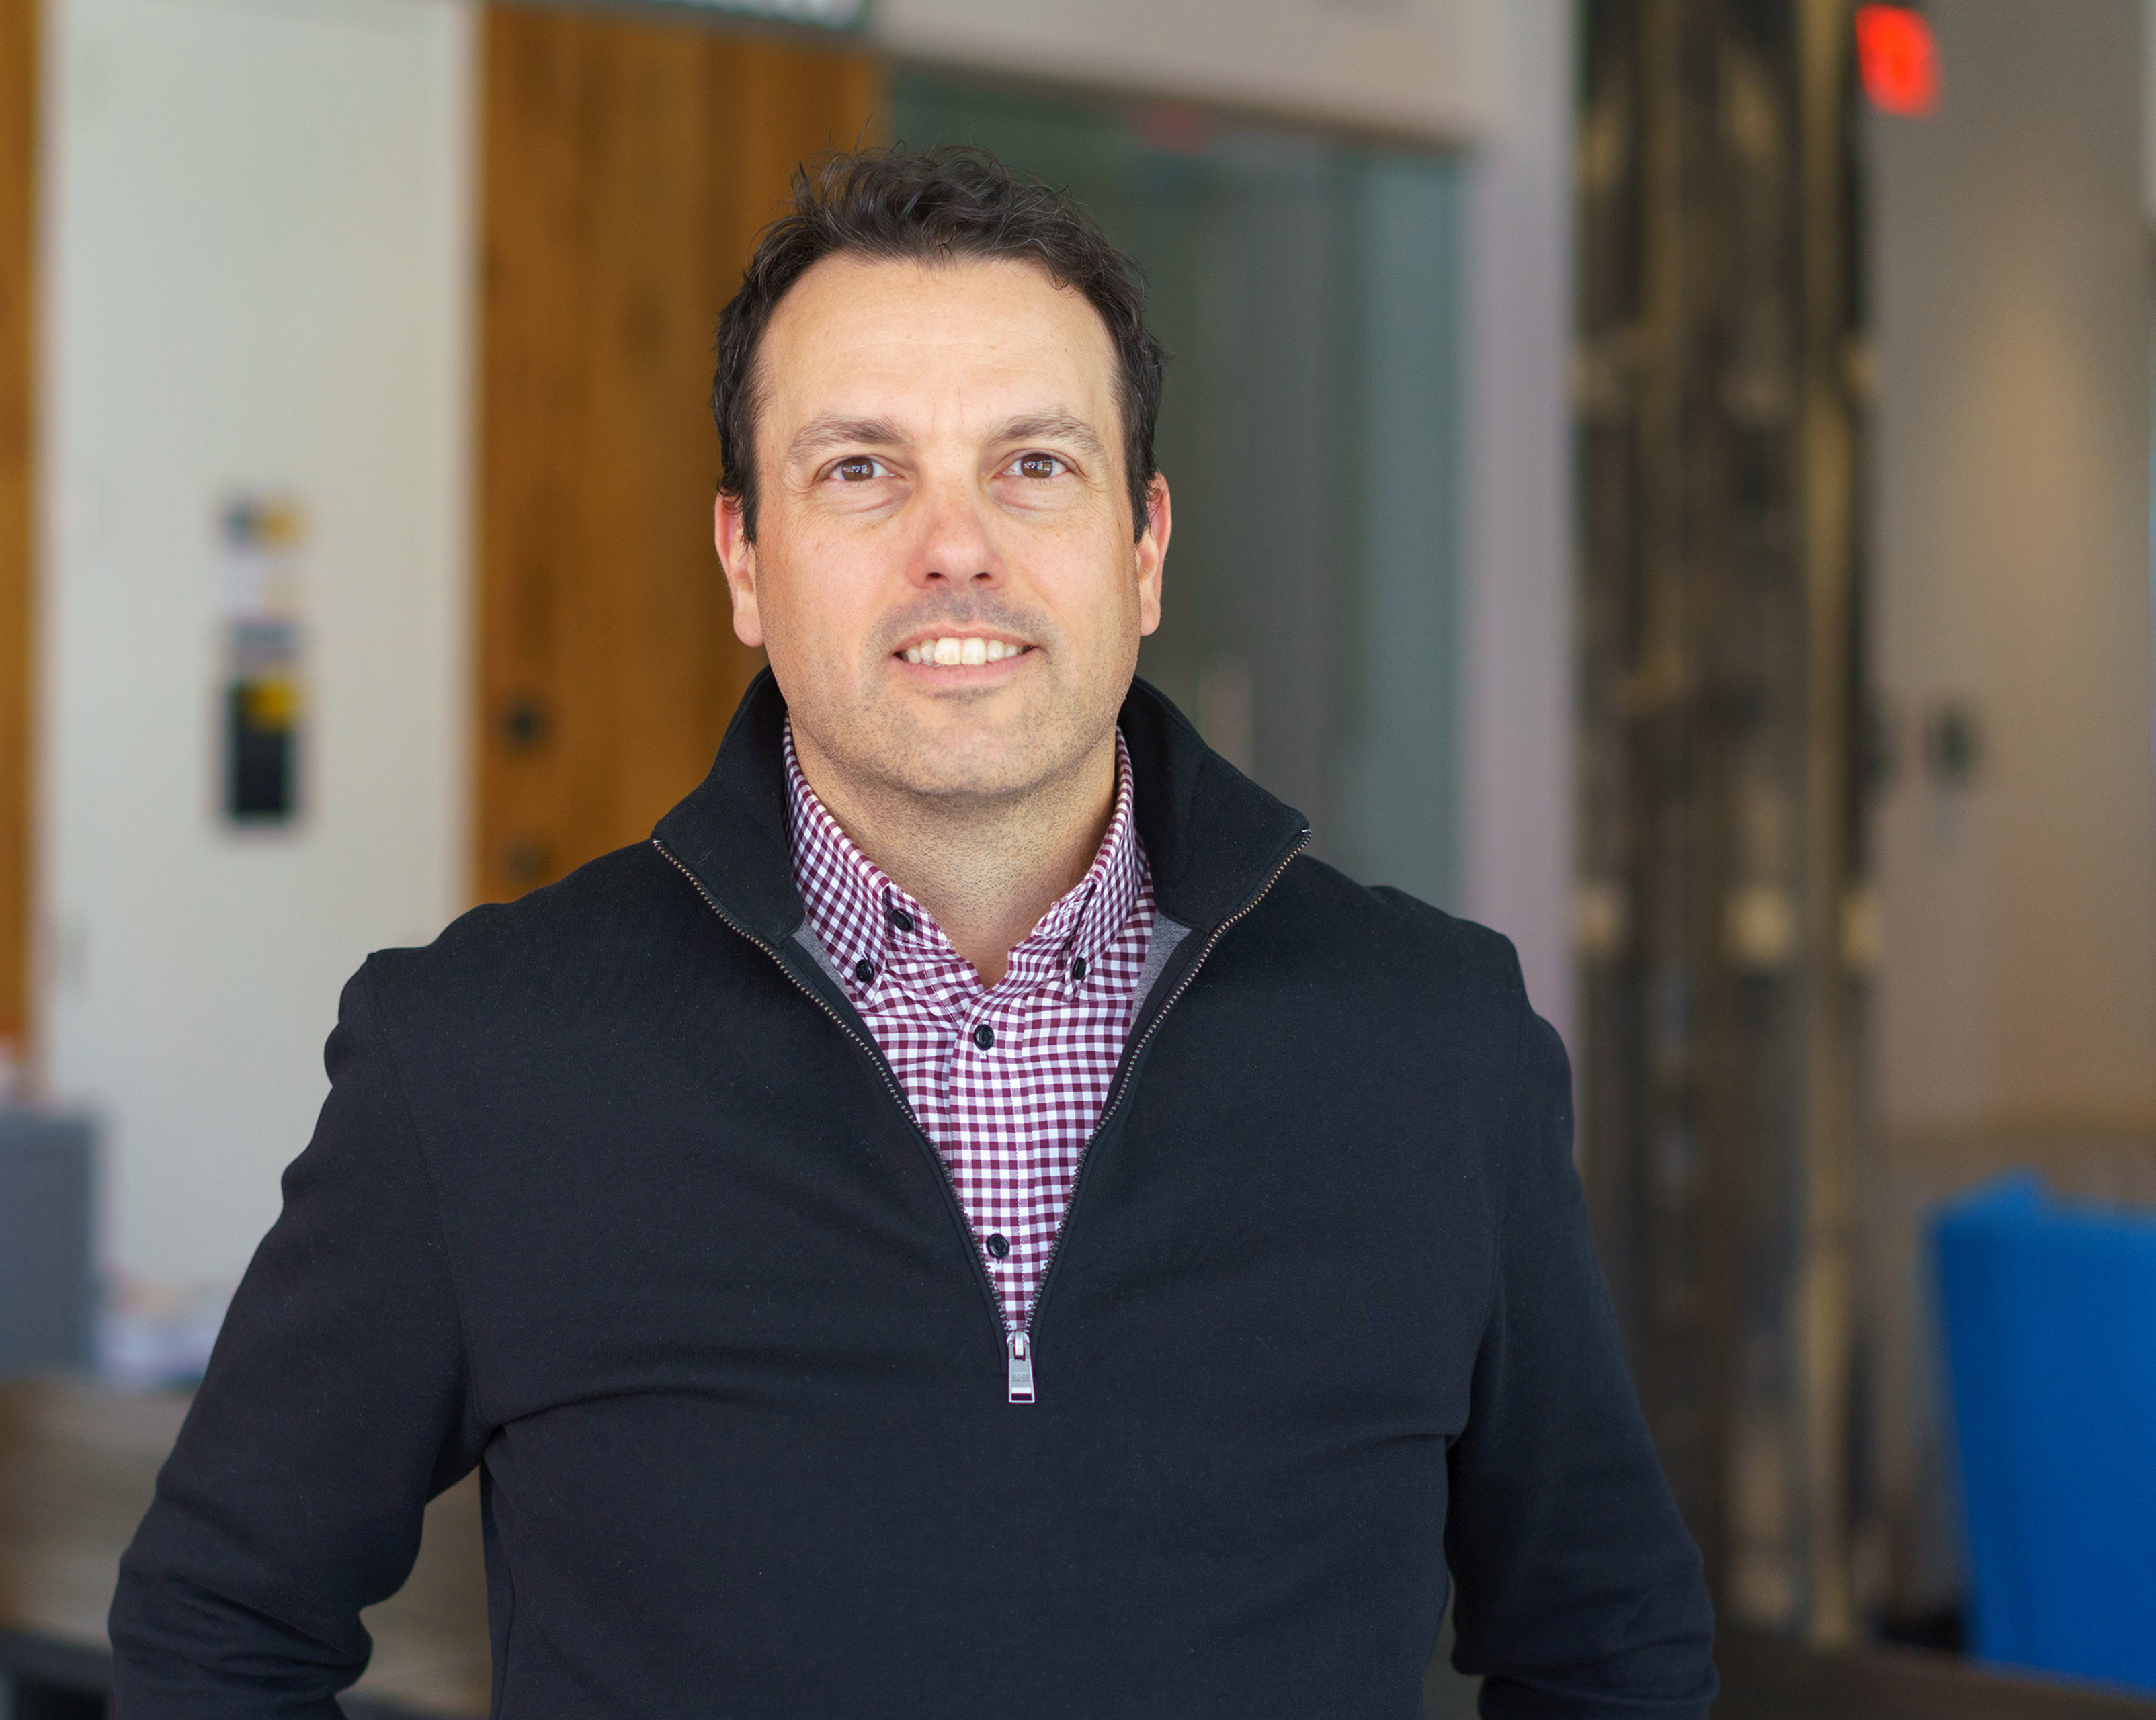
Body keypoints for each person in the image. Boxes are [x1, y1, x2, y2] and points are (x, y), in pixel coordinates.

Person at [110, 145, 1717, 1718]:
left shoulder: (1437, 1048)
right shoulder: (478, 1057)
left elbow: (1608, 1643)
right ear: (745, 559)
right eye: (861, 469)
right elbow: (218, 1629)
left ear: (1145, 548)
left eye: (1036, 464)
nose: (957, 545)